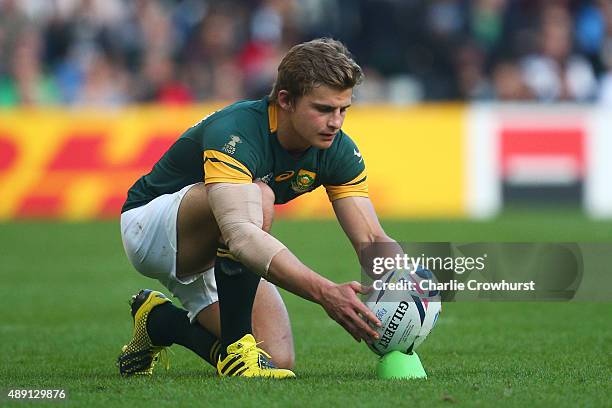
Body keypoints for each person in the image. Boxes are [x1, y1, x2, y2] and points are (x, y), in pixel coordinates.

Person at [118, 38, 395, 379]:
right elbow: (241, 236)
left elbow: (371, 236)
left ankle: (159, 321)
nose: (336, 122)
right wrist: (326, 293)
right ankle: (237, 350)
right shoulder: (238, 131)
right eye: (323, 109)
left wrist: (407, 283)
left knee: (277, 359)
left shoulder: (336, 148)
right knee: (258, 195)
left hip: (223, 241)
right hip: (151, 228)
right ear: (285, 101)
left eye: (343, 110)